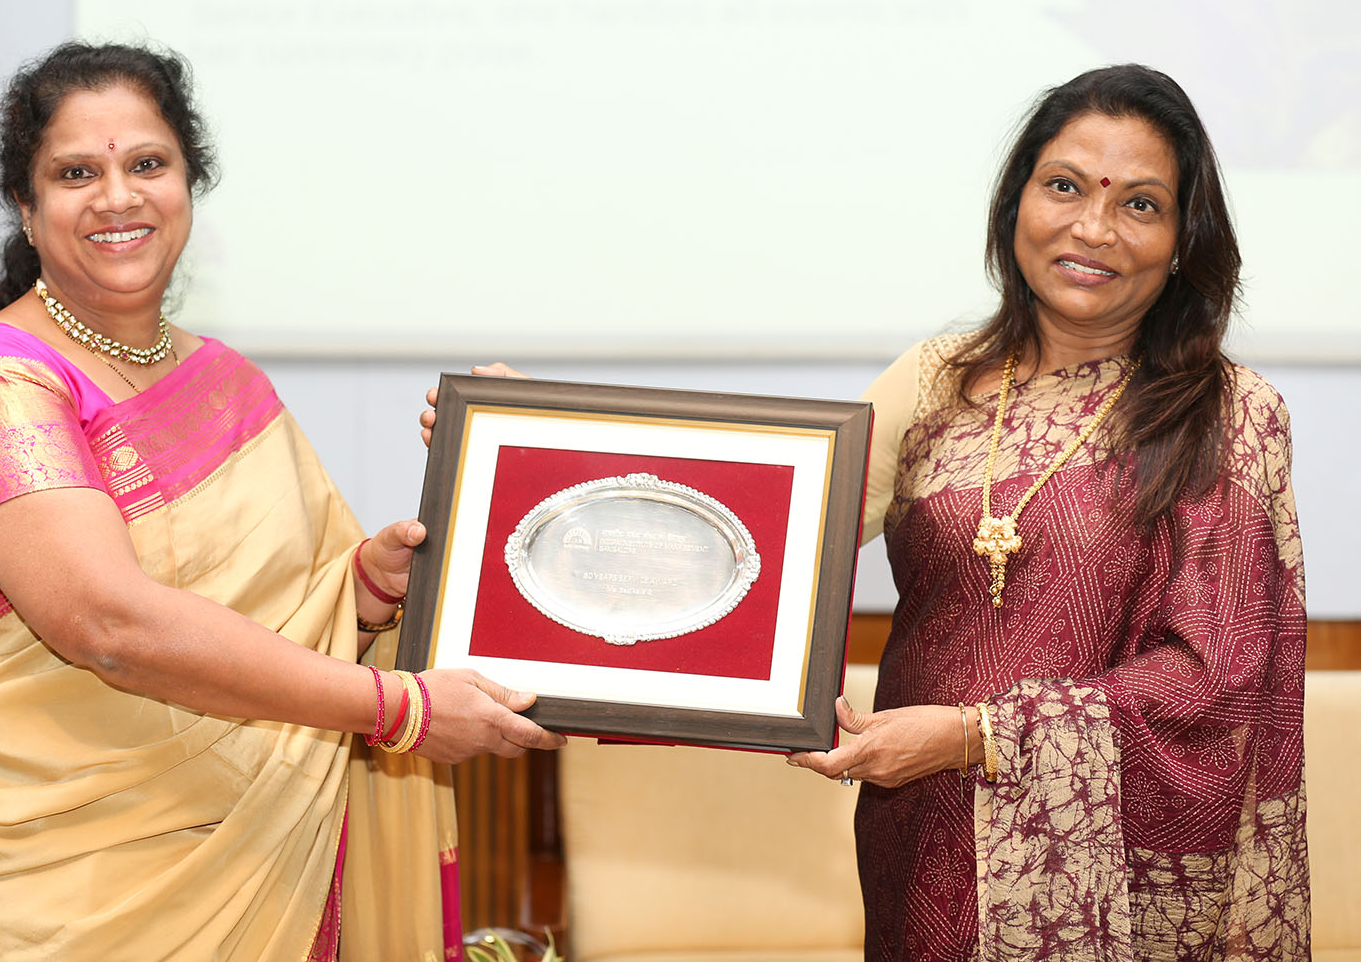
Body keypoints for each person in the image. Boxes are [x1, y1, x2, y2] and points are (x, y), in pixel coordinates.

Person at [422, 65, 1309, 960]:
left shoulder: (1229, 415)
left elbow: (1215, 677)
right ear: (1016, 203)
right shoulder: (938, 379)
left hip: (1123, 883)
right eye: (1065, 186)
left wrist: (975, 737)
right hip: (924, 841)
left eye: (1141, 204)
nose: (1093, 228)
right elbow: (754, 534)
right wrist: (535, 450)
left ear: (1184, 237)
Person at [0, 41, 564, 962]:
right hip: (65, 881)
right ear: (26, 203)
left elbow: (291, 597)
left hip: (264, 845)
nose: (118, 196)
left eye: (147, 163)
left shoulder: (224, 382)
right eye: (75, 172)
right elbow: (108, 626)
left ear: (187, 183)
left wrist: (368, 588)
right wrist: (400, 710)